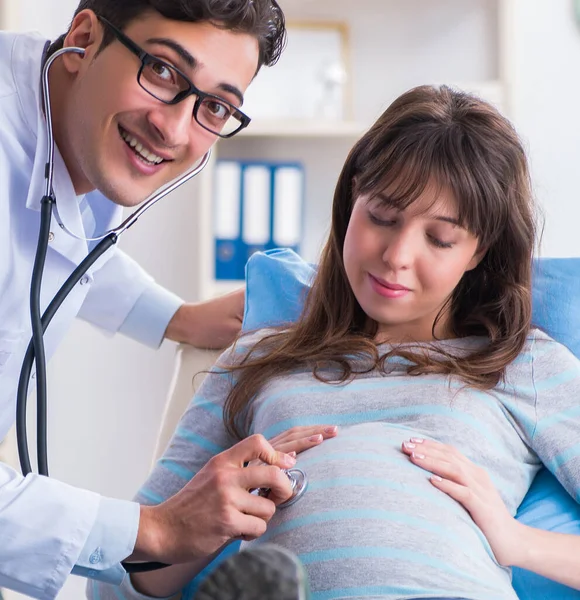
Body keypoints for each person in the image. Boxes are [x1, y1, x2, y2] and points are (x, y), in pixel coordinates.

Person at [92, 83, 580, 600]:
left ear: (479, 250)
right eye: (382, 217)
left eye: (439, 238)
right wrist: (218, 516)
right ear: (350, 204)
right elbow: (120, 579)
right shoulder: (257, 360)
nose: (396, 255)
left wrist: (517, 542)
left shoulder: (524, 363)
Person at [0, 1, 318, 598]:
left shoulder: (64, 119)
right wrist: (155, 529)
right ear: (85, 36)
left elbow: (57, 237)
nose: (173, 130)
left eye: (215, 106)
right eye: (164, 70)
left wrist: (176, 318)